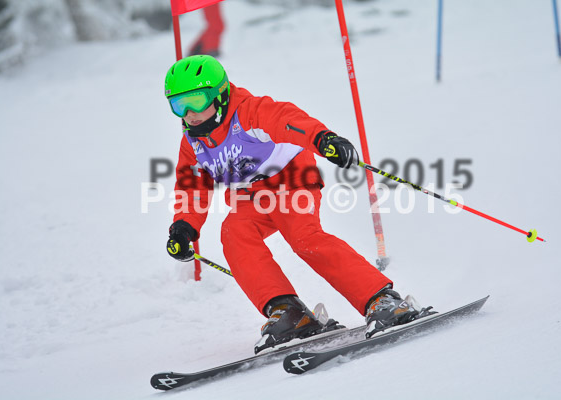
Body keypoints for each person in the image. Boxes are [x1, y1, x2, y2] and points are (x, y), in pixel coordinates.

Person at [164, 55, 425, 354]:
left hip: (291, 183)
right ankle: (289, 312)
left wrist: (324, 139)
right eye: (178, 106)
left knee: (304, 238)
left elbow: (288, 120)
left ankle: (382, 300)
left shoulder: (249, 111)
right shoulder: (193, 142)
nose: (189, 114)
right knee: (234, 234)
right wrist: (184, 228)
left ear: (219, 95)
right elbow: (192, 186)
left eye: (195, 101)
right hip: (250, 198)